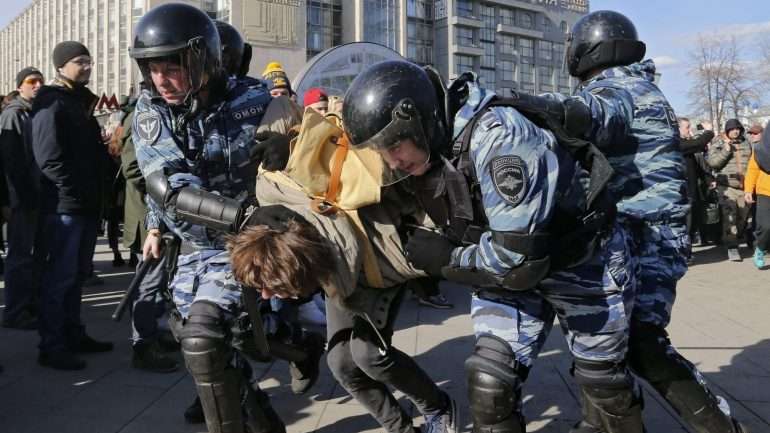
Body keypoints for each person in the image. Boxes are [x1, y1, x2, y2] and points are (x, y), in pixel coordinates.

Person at [343, 60, 641, 432]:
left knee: (605, 392)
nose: (393, 160)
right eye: (382, 152)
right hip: (510, 269)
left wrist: (446, 260)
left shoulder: (500, 138)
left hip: (581, 265)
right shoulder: (434, 146)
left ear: (416, 119)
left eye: (394, 146)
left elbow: (515, 263)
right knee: (489, 385)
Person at [562, 10, 748, 433]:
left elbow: (585, 114)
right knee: (605, 338)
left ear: (588, 48)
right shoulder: (637, 86)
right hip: (639, 232)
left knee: (642, 342)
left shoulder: (618, 89)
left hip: (648, 236)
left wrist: (522, 105)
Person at [129, 4, 296, 432]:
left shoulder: (255, 98)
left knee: (205, 339)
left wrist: (287, 147)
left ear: (202, 59)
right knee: (206, 346)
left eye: (172, 68)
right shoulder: (152, 109)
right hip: (198, 242)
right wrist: (155, 224)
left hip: (243, 246)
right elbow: (167, 186)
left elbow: (310, 141)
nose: (160, 81)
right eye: (151, 69)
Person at [30, 41, 114, 370]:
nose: (87, 66)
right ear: (61, 66)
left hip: (85, 204)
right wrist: (72, 190)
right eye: (80, 61)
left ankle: (73, 334)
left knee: (77, 275)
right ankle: (52, 345)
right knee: (60, 277)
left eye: (89, 61)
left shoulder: (77, 101)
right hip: (66, 207)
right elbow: (48, 157)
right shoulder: (51, 101)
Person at [0, 67, 45, 330]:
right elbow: (11, 162)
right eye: (31, 81)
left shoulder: (32, 112)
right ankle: (14, 311)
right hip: (21, 199)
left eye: (40, 80)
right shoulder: (13, 115)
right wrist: (19, 196)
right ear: (20, 87)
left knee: (32, 255)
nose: (37, 85)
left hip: (35, 196)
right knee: (19, 256)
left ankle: (28, 305)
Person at [708, 119, 753, 261]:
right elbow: (713, 163)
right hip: (727, 187)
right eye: (732, 129)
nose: (736, 131)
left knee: (742, 218)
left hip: (744, 187)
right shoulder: (719, 143)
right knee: (730, 217)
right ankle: (732, 247)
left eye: (738, 128)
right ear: (727, 130)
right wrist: (726, 151)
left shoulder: (746, 142)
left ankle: (734, 238)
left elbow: (752, 163)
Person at [678, 118, 715, 245]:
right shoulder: (676, 144)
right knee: (686, 225)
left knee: (693, 223)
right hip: (682, 193)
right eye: (687, 127)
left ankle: (686, 252)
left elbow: (695, 167)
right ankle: (684, 254)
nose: (690, 130)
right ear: (678, 129)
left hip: (691, 192)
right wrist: (709, 131)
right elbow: (698, 144)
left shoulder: (685, 145)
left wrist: (709, 179)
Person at [744, 125, 770, 269]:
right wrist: (748, 190)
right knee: (766, 226)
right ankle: (760, 248)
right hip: (765, 192)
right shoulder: (761, 150)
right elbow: (752, 171)